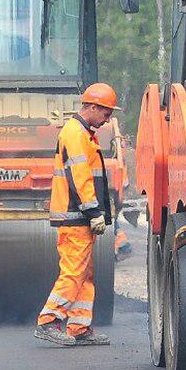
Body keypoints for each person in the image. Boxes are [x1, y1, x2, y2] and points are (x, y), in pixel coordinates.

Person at [34, 83, 119, 347]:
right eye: (106, 113)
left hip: (78, 216)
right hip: (75, 216)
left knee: (84, 273)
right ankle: (48, 320)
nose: (108, 120)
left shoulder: (84, 133)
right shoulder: (75, 133)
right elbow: (80, 177)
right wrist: (93, 211)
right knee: (73, 271)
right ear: (92, 107)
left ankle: (78, 326)